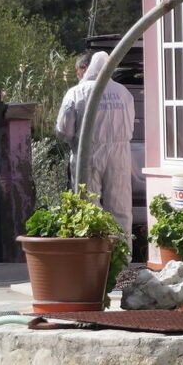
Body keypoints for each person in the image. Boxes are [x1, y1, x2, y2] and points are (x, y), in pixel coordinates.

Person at [56, 50, 135, 238]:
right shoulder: (123, 92)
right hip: (120, 154)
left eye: (77, 70)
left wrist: (73, 141)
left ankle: (91, 254)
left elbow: (63, 129)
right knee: (120, 206)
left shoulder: (77, 92)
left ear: (84, 68)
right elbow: (131, 125)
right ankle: (121, 255)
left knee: (88, 205)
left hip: (87, 153)